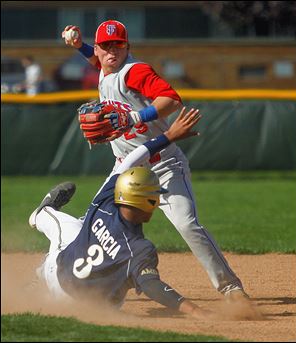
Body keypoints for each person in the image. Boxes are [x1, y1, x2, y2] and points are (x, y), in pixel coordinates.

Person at [61, 20, 248, 302]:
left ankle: (230, 287)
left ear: (128, 47)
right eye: (106, 46)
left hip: (162, 165)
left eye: (119, 45)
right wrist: (79, 46)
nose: (112, 51)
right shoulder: (104, 67)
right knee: (92, 222)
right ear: (98, 50)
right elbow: (97, 60)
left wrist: (137, 116)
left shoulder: (134, 71)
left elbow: (171, 99)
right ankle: (68, 279)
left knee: (187, 224)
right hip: (125, 168)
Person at [29, 108, 214, 319]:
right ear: (145, 202)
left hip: (57, 278)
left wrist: (169, 135)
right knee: (117, 280)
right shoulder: (140, 249)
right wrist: (197, 311)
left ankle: (43, 228)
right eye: (154, 197)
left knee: (66, 231)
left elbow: (131, 159)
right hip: (88, 310)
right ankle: (42, 214)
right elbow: (152, 286)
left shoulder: (106, 200)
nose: (157, 202)